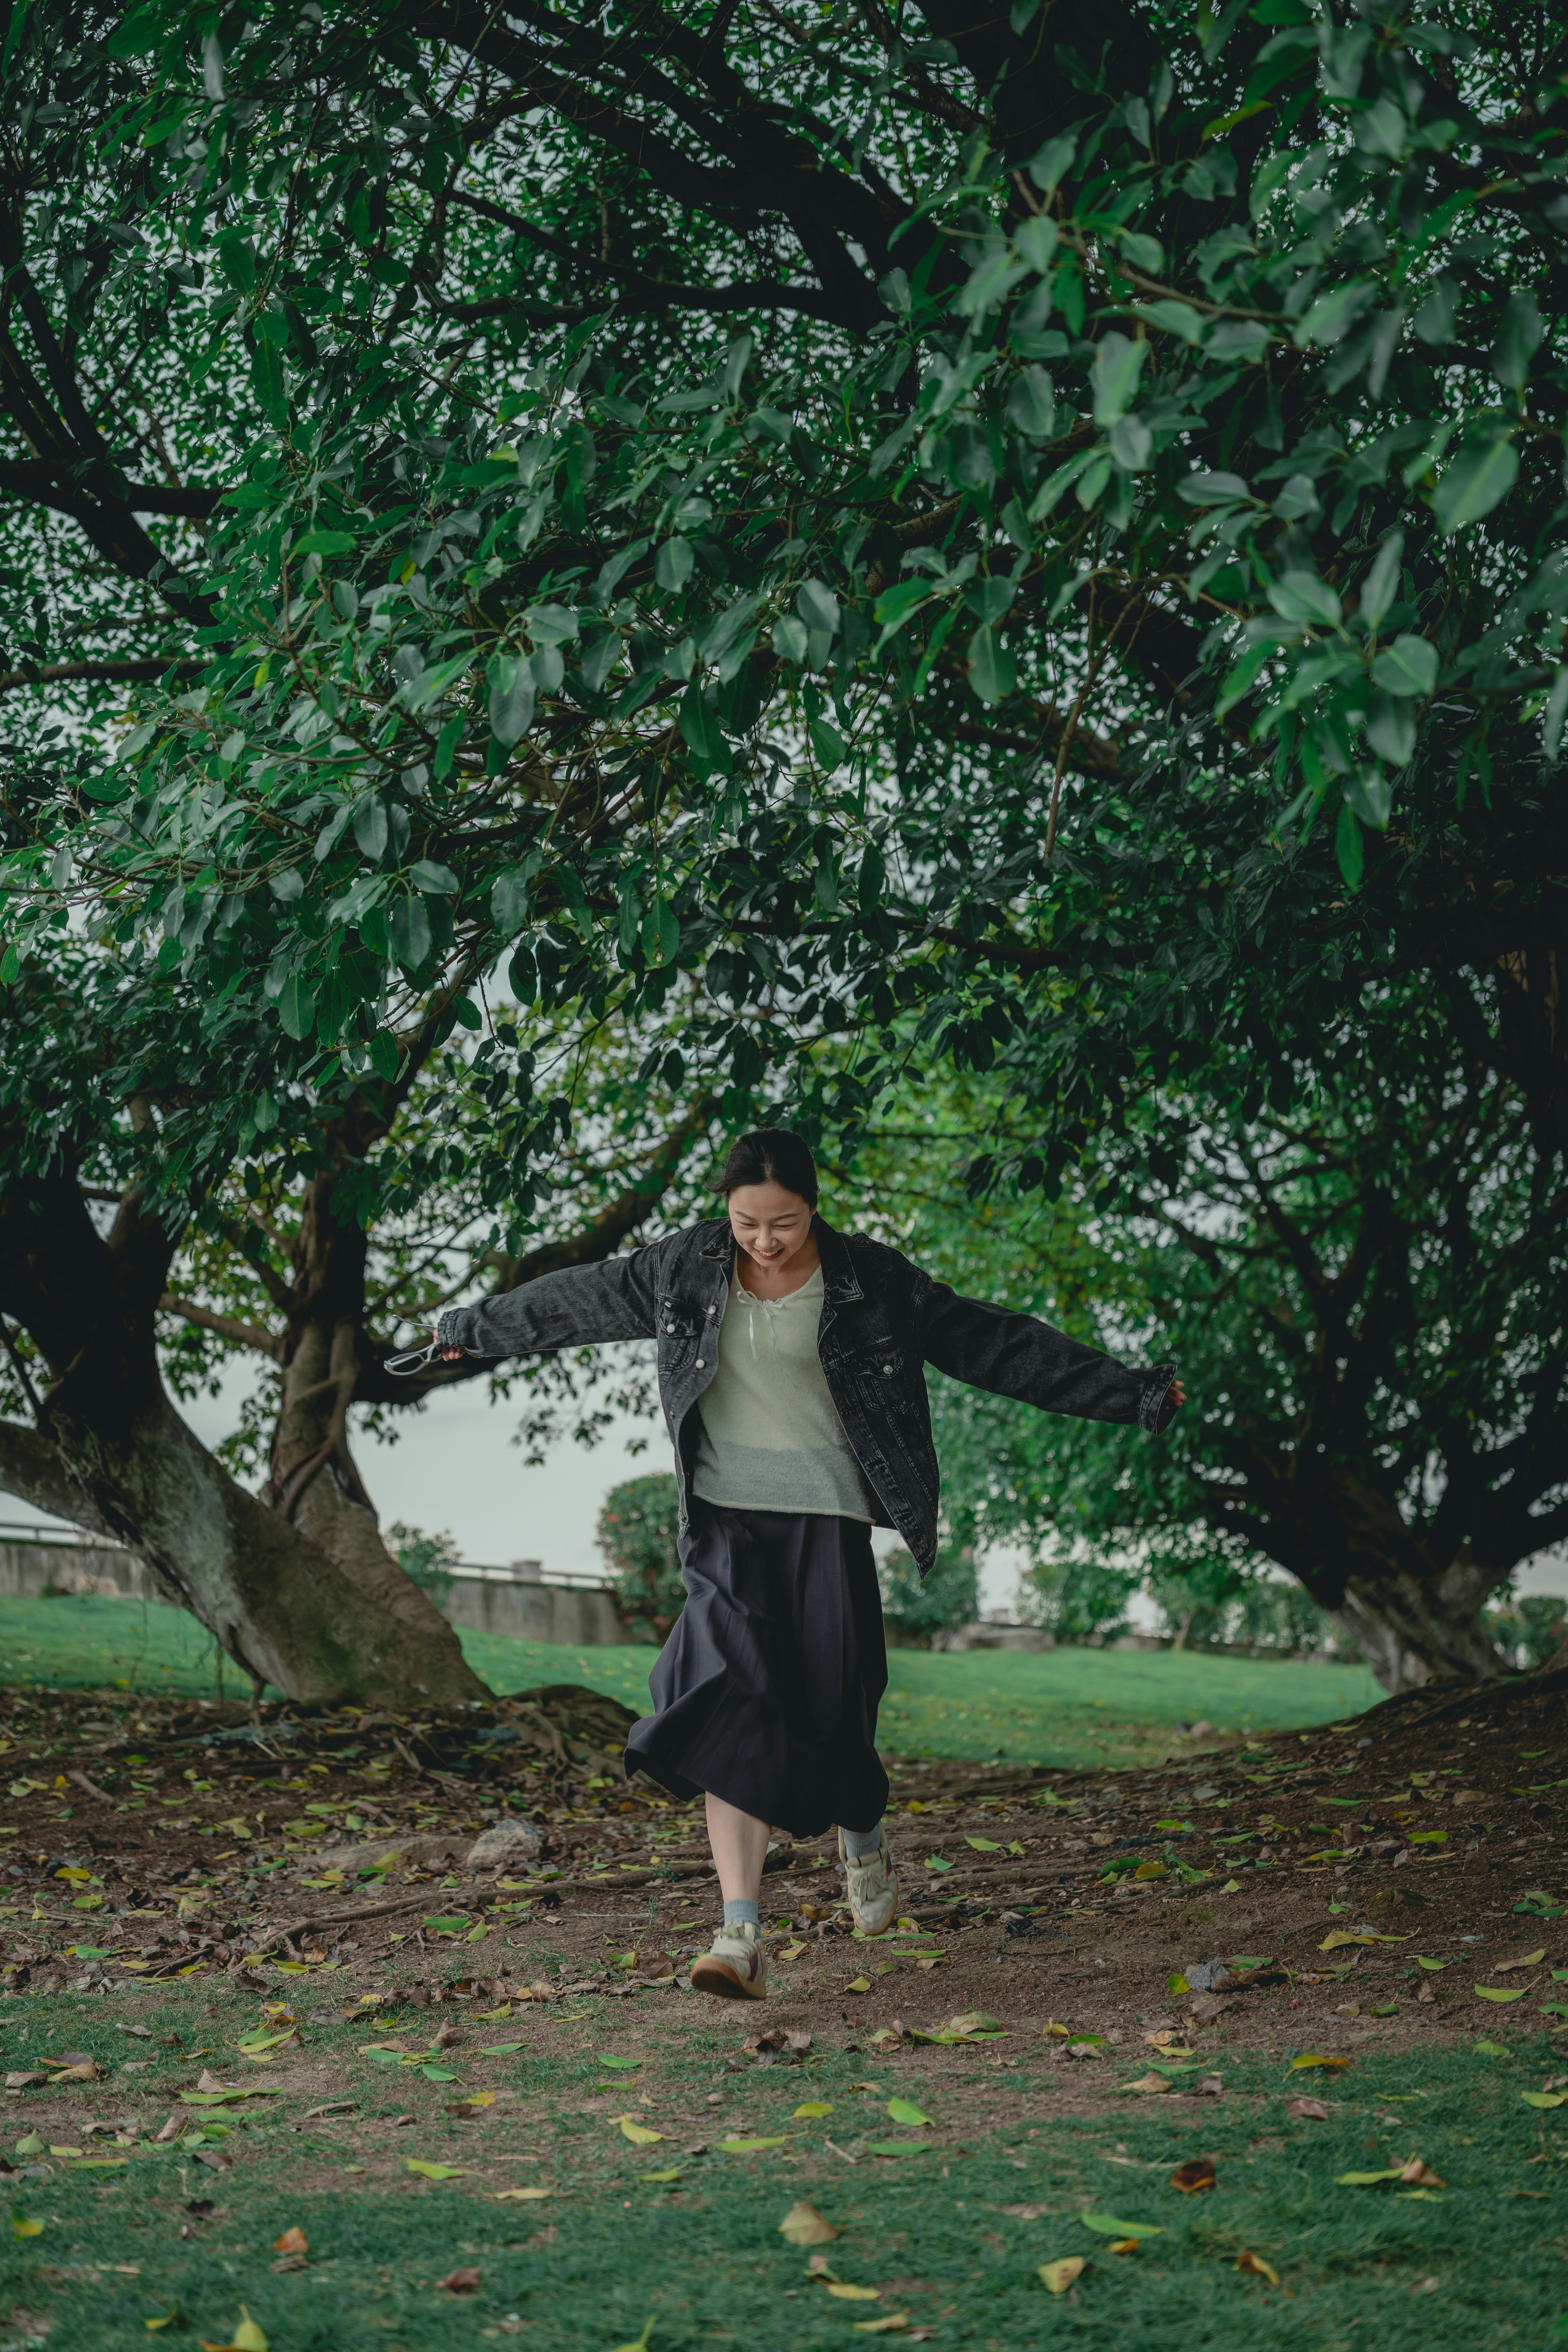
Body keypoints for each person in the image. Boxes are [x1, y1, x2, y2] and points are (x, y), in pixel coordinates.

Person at [432, 1128, 1183, 2001]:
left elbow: (993, 1343)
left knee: (838, 1712)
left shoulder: (872, 1281)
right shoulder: (685, 1268)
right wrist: (470, 1331)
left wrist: (1127, 1391)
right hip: (726, 1531)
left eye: (783, 1223)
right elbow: (578, 1300)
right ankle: (739, 1933)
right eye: (747, 1222)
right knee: (726, 1704)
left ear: (814, 1208)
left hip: (828, 1526)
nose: (764, 1240)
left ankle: (860, 1825)